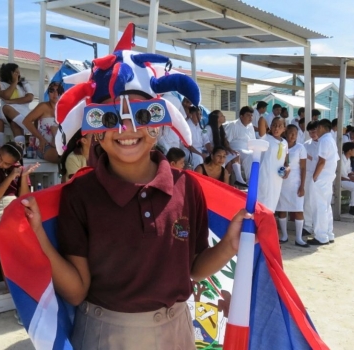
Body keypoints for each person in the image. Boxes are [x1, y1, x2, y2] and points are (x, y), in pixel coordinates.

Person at [19, 35, 251, 348]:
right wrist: (39, 237)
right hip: (106, 335)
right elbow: (76, 291)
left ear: (160, 121)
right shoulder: (81, 194)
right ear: (95, 131)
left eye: (142, 114)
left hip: (178, 331)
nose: (126, 129)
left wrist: (229, 245)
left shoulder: (187, 186)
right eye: (110, 118)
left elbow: (194, 269)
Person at [0, 142, 38, 249]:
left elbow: (23, 198)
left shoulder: (19, 169)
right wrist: (10, 177)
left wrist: (23, 176)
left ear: (13, 163)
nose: (0, 164)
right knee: (6, 227)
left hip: (16, 205)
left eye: (6, 164)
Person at [307, 119, 338, 246]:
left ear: (322, 128)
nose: (316, 131)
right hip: (328, 177)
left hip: (321, 177)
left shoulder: (324, 140)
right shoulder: (330, 139)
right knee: (325, 206)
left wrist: (314, 177)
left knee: (319, 206)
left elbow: (321, 161)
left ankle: (321, 236)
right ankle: (328, 233)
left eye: (317, 128)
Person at [276, 125, 307, 247]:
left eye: (295, 133)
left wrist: (302, 186)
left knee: (298, 210)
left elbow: (303, 168)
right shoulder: (281, 145)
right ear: (286, 133)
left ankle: (299, 238)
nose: (293, 136)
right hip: (282, 182)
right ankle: (284, 235)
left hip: (295, 182)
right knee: (282, 209)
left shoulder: (300, 148)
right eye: (290, 133)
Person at [22, 82, 62, 163]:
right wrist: (41, 139)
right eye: (52, 90)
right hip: (43, 145)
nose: (55, 93)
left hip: (59, 144)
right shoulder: (43, 106)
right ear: (48, 93)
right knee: (62, 157)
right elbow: (26, 121)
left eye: (58, 90)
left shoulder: (64, 109)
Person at [205, 110, 246, 186]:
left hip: (221, 152)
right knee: (228, 163)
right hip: (211, 153)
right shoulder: (208, 128)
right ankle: (222, 183)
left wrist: (230, 150)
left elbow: (225, 142)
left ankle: (238, 179)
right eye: (221, 115)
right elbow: (205, 141)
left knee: (236, 154)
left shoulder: (221, 129)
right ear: (217, 119)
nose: (224, 117)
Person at [257, 116, 289, 212]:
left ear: (284, 128)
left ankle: (268, 222)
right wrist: (268, 128)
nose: (276, 128)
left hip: (277, 178)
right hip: (265, 175)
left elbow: (286, 161)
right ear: (270, 126)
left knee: (273, 201)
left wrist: (288, 168)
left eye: (280, 126)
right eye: (274, 125)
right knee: (262, 201)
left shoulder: (285, 143)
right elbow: (261, 119)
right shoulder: (266, 138)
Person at [0, 63, 34, 146]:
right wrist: (14, 82)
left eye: (18, 72)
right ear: (8, 73)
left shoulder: (24, 83)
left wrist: (11, 101)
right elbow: (6, 95)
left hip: (22, 112)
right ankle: (33, 131)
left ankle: (21, 151)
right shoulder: (1, 84)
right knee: (7, 107)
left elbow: (29, 98)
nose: (18, 74)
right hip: (7, 113)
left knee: (15, 124)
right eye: (15, 72)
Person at [225, 106, 257, 181]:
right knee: (250, 156)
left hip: (249, 149)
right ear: (241, 116)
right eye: (248, 115)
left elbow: (253, 140)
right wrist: (230, 150)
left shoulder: (250, 126)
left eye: (251, 115)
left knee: (259, 155)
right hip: (236, 150)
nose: (250, 117)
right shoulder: (233, 125)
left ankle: (259, 180)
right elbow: (226, 140)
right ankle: (250, 181)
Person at [302, 121, 319, 236]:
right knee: (307, 201)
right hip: (308, 176)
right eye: (310, 131)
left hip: (321, 177)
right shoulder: (305, 145)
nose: (312, 133)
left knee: (320, 203)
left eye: (314, 130)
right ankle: (307, 226)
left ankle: (319, 227)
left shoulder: (325, 143)